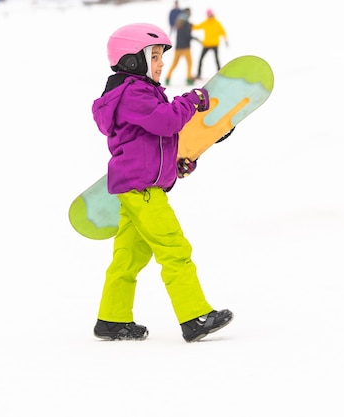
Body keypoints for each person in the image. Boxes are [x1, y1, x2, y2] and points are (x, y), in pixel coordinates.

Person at [91, 22, 234, 343]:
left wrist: (180, 163)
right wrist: (192, 100)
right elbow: (167, 122)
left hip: (135, 187)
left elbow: (155, 143)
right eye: (154, 56)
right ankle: (194, 316)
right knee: (174, 248)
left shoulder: (137, 95)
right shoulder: (133, 93)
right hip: (141, 191)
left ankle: (111, 320)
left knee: (128, 257)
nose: (160, 64)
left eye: (160, 57)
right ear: (131, 60)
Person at [192, 8, 228, 80]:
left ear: (212, 14)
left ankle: (220, 74)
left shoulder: (217, 23)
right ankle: (199, 74)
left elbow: (222, 31)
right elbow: (197, 27)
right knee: (201, 59)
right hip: (207, 44)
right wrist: (189, 25)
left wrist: (225, 39)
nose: (209, 16)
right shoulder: (206, 22)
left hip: (214, 44)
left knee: (216, 59)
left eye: (210, 15)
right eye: (208, 15)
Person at [165, 8, 196, 86]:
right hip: (185, 48)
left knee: (174, 64)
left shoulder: (179, 23)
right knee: (189, 63)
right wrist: (194, 38)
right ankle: (189, 79)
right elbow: (187, 36)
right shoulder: (186, 24)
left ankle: (167, 78)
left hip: (178, 48)